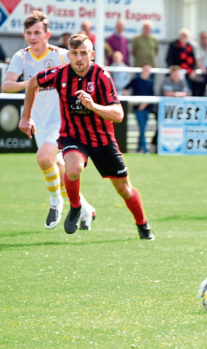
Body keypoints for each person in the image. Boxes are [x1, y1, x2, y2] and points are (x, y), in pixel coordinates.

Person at [20, 33, 154, 239]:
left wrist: (93, 106)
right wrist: (26, 117)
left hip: (102, 140)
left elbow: (118, 115)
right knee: (72, 169)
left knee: (124, 190)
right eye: (74, 53)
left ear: (91, 55)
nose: (79, 58)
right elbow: (33, 83)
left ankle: (142, 225)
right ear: (69, 55)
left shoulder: (102, 76)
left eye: (83, 53)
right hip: (73, 136)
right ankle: (75, 207)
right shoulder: (60, 74)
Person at [3, 11, 95, 230]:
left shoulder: (62, 54)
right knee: (62, 176)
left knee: (44, 158)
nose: (32, 37)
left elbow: (85, 68)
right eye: (29, 32)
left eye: (37, 32)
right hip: (39, 120)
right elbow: (6, 85)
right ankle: (85, 210)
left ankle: (55, 203)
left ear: (47, 34)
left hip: (62, 119)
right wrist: (33, 83)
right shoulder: (21, 56)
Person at [123, 64, 155, 153]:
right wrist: (132, 101)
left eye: (148, 70)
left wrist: (145, 104)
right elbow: (125, 89)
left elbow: (151, 94)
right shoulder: (136, 80)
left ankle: (138, 149)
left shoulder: (150, 82)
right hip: (137, 108)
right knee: (142, 128)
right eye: (145, 70)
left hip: (147, 108)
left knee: (143, 129)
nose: (147, 72)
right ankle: (145, 149)